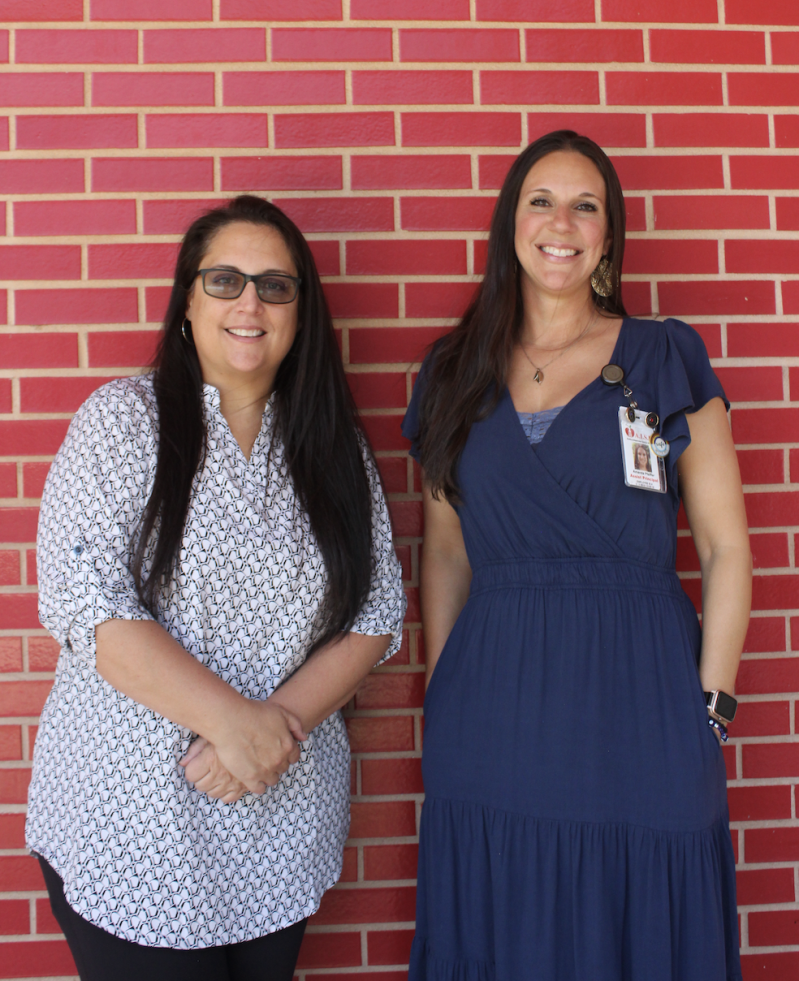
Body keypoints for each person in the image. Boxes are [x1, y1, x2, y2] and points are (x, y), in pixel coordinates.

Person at [27, 195, 405, 981]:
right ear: (187, 304)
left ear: (302, 313)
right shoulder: (123, 422)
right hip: (134, 826)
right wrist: (233, 724)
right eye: (225, 279)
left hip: (277, 819)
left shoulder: (331, 448)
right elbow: (86, 601)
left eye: (275, 286)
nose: (249, 302)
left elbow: (374, 614)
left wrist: (273, 732)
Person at [402, 130, 751, 981]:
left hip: (643, 697)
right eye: (541, 201)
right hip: (494, 705)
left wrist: (710, 706)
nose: (562, 222)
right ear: (510, 224)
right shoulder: (453, 370)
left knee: (645, 907)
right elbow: (444, 554)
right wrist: (449, 689)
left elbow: (726, 547)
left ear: (608, 234)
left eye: (585, 205)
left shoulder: (662, 355)